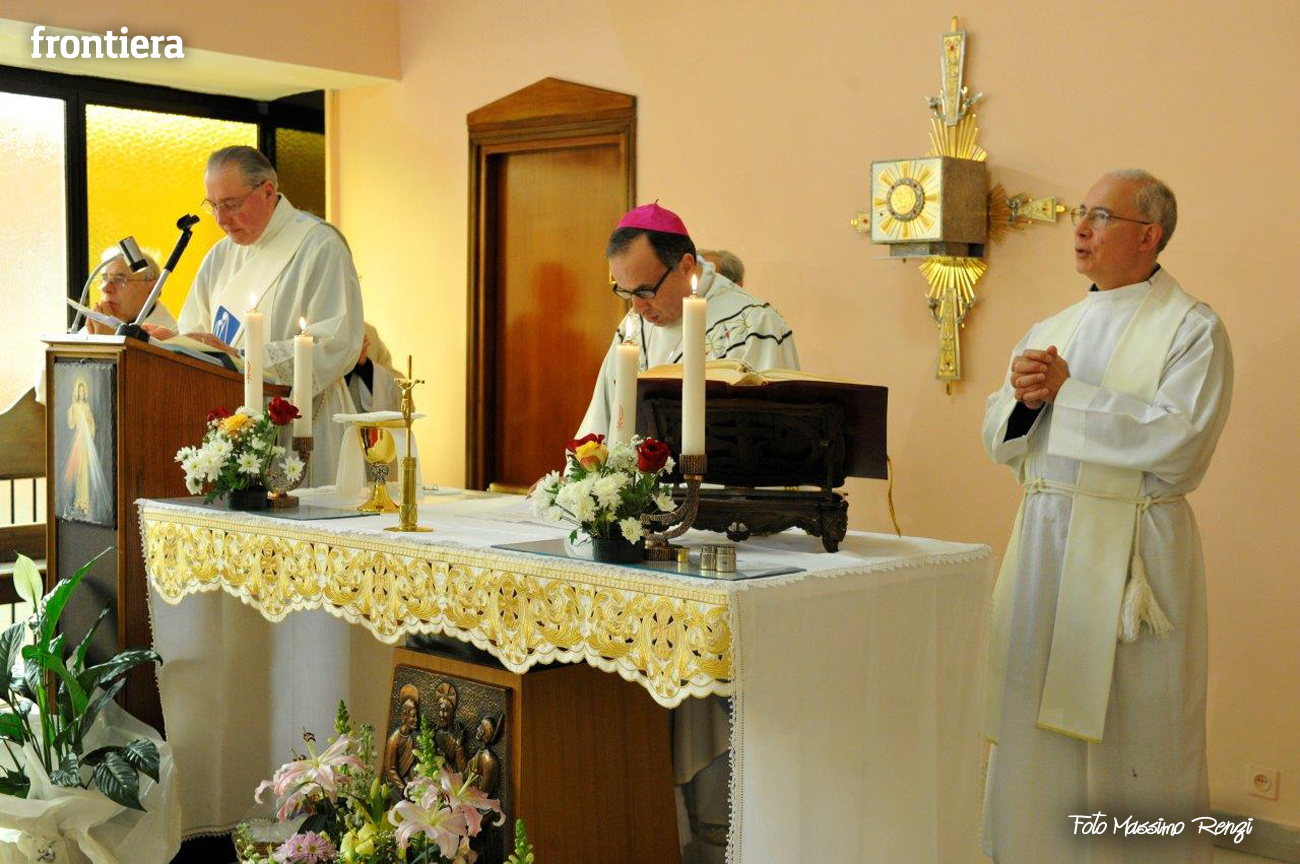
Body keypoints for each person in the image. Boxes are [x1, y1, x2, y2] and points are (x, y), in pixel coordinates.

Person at [980, 170, 1233, 862]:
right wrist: (1027, 403)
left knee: (1139, 724)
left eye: (1100, 215)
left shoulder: (1193, 329)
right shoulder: (1052, 328)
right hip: (1045, 544)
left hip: (1134, 557)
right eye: (1080, 214)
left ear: (1149, 235)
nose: (1081, 229)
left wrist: (1071, 395)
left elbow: (1180, 442)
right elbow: (1000, 439)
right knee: (1031, 710)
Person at [144, 145, 364, 486]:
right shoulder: (220, 256)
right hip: (232, 430)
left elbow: (336, 343)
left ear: (267, 192)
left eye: (231, 204)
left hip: (303, 426)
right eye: (212, 206)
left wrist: (244, 358)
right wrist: (175, 343)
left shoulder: (319, 246)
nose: (221, 219)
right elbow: (195, 331)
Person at [577, 203, 798, 439]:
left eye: (646, 291)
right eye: (626, 292)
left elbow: (770, 436)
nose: (637, 307)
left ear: (686, 266)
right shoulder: (632, 327)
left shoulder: (754, 324)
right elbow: (601, 421)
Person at [84, 247, 177, 335]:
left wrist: (107, 339)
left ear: (152, 289)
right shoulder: (98, 326)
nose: (105, 288)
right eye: (104, 279)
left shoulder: (172, 338)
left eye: (120, 279)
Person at [346, 322, 404, 412]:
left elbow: (398, 390)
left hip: (366, 419)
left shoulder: (368, 332)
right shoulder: (322, 330)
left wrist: (365, 365)